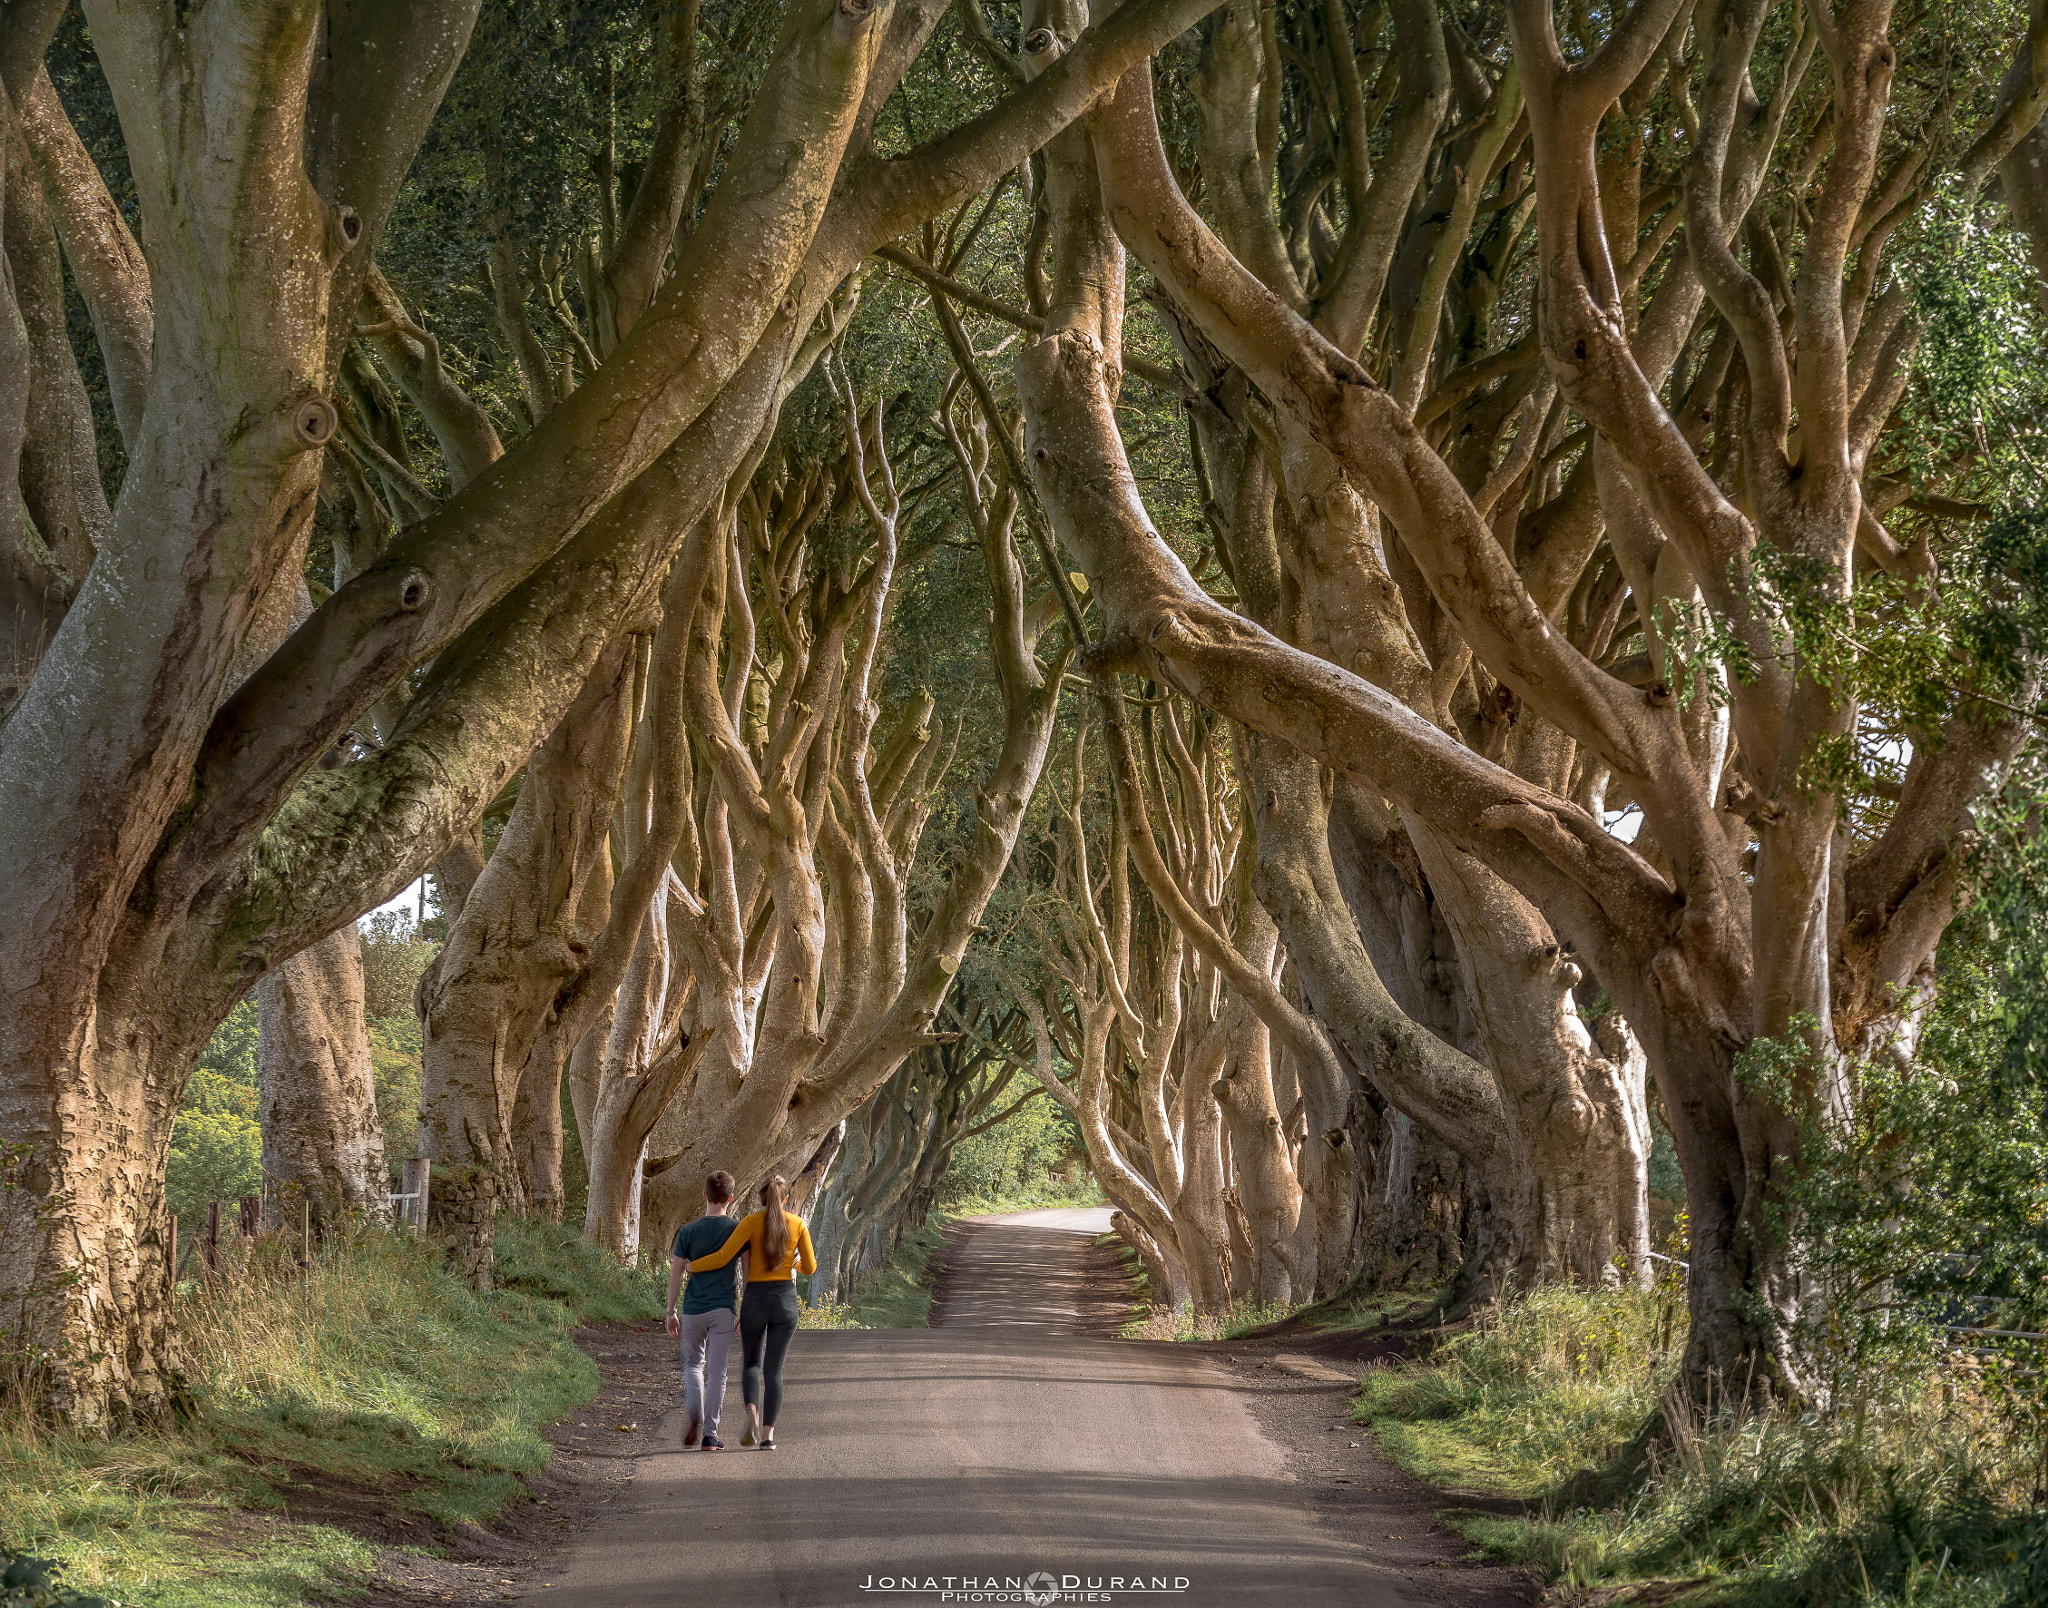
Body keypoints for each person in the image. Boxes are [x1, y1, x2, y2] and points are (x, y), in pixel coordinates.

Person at [685, 1174, 816, 1449]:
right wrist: (797, 1263)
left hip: (755, 1299)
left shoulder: (750, 1223)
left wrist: (693, 1266)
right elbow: (811, 1268)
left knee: (751, 1364)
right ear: (786, 1199)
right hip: (785, 1299)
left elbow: (723, 1256)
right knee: (774, 1370)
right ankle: (767, 1437)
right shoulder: (798, 1224)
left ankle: (752, 1414)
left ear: (761, 1198)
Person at [666, 1170, 741, 1452]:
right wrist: (745, 1309)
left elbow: (675, 1273)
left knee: (693, 1364)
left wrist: (670, 1311)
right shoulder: (737, 1229)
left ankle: (694, 1410)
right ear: (730, 1198)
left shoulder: (687, 1231)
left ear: (704, 1195)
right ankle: (710, 1434)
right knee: (718, 1372)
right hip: (723, 1308)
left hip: (693, 1308)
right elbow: (747, 1270)